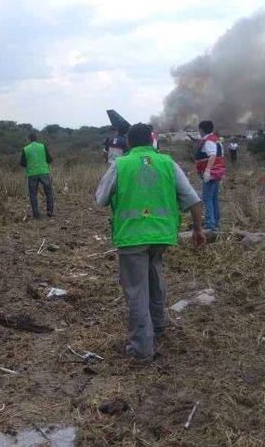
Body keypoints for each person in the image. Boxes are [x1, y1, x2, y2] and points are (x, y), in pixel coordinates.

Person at [95, 123, 205, 361]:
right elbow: (193, 200)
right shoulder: (168, 163)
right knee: (155, 274)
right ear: (151, 141)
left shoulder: (121, 164)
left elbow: (101, 199)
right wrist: (198, 230)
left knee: (137, 291)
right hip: (162, 235)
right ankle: (159, 324)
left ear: (128, 142)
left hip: (132, 237)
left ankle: (141, 350)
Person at [194, 120, 226, 231]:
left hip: (211, 174)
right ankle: (215, 223)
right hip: (218, 172)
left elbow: (212, 155)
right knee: (214, 198)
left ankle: (210, 225)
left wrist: (207, 170)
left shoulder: (208, 141)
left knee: (207, 198)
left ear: (201, 130)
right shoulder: (216, 140)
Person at [20, 132, 54, 219]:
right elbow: (49, 159)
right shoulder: (42, 146)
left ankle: (36, 214)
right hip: (43, 172)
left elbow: (22, 163)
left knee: (33, 194)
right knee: (49, 191)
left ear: (29, 139)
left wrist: (29, 163)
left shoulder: (25, 149)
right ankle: (50, 211)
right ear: (36, 139)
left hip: (32, 174)